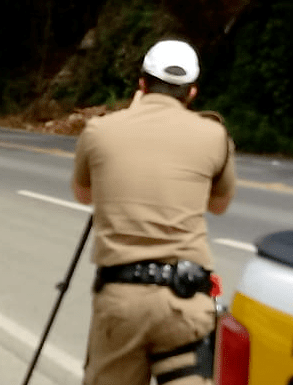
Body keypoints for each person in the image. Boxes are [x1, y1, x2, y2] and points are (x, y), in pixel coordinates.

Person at [71, 39, 236, 385]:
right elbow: (219, 205)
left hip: (122, 301)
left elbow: (84, 194)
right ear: (191, 93)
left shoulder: (100, 131)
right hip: (186, 303)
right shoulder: (214, 135)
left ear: (142, 84)